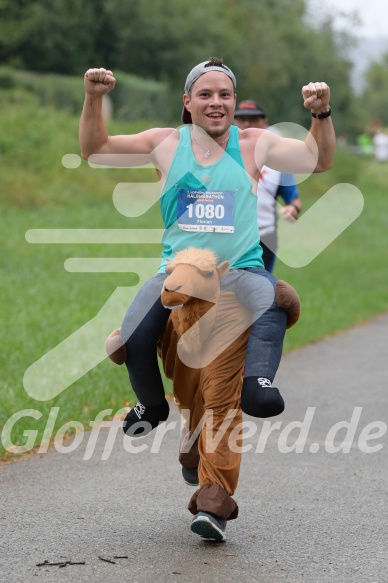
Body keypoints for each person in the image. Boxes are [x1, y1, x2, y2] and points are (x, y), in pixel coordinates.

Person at [79, 58, 335, 541]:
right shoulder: (165, 144)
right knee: (132, 338)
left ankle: (254, 391)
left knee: (270, 309)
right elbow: (95, 150)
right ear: (187, 101)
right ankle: (151, 407)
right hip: (177, 276)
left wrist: (321, 116)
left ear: (234, 103)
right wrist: (94, 99)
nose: (216, 103)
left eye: (225, 95)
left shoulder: (255, 144)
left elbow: (318, 160)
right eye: (205, 94)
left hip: (240, 276)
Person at [234, 100, 302, 272]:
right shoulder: (219, 155)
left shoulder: (278, 161)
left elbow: (294, 200)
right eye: (242, 119)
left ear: (265, 123)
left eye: (253, 119)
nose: (247, 124)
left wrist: (292, 208)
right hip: (228, 235)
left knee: (260, 292)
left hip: (263, 236)